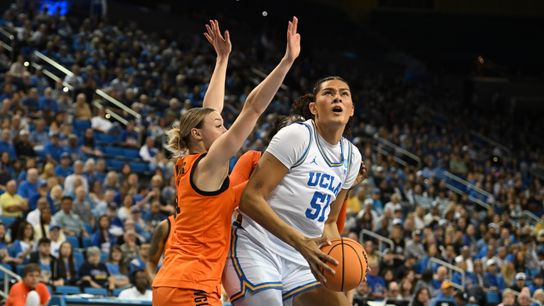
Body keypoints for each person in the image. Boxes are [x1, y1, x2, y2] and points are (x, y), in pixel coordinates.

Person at [152, 17, 300, 306]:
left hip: (173, 282)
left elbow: (211, 109)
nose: (225, 128)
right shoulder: (209, 165)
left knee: (250, 163)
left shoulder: (193, 164)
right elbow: (254, 108)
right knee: (250, 161)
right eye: (219, 126)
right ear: (197, 134)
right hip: (191, 285)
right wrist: (286, 62)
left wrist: (222, 59)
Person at [223, 74, 362, 305]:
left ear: (351, 109)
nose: (337, 98)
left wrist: (346, 258)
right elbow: (250, 199)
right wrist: (301, 242)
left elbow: (329, 222)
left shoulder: (352, 156)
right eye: (329, 93)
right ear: (314, 108)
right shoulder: (297, 136)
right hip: (257, 243)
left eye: (343, 94)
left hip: (302, 255)